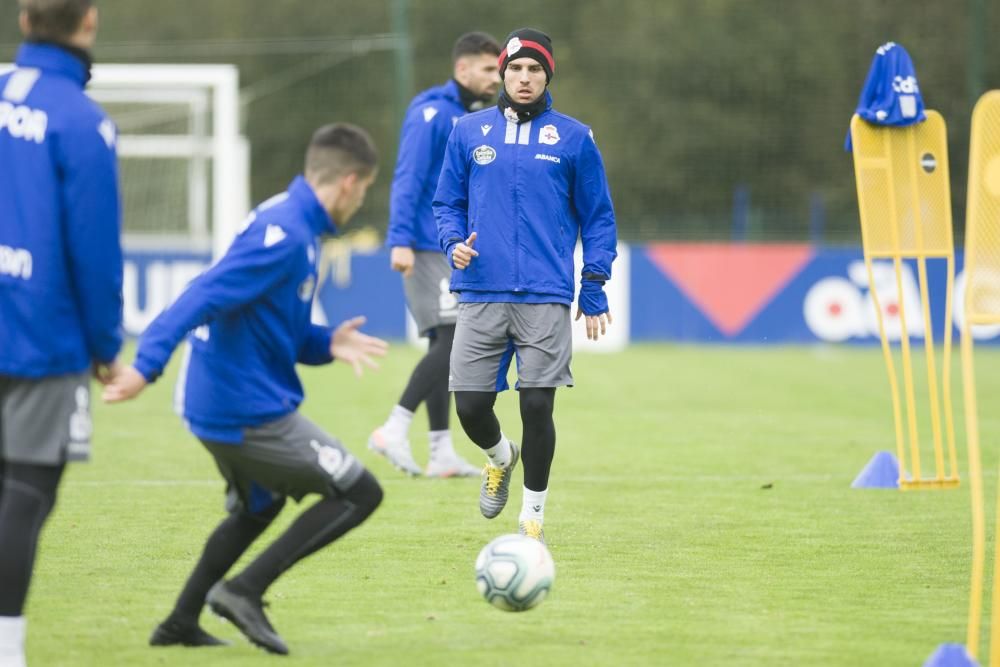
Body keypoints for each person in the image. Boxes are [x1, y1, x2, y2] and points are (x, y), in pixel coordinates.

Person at [103, 123, 388, 656]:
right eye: (366, 188)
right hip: (241, 408)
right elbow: (200, 294)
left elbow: (277, 327)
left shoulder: (293, 222)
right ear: (349, 182)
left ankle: (180, 623)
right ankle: (243, 590)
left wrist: (328, 343)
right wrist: (145, 366)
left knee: (259, 507)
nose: (362, 199)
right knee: (360, 492)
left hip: (226, 399)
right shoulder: (286, 234)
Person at [434, 28, 618, 543]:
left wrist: (594, 282)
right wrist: (453, 245)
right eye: (514, 68)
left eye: (534, 69)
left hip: (544, 294)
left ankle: (532, 518)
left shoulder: (575, 138)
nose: (523, 77)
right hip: (480, 290)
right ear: (502, 72)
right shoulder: (468, 132)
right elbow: (446, 203)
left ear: (547, 75)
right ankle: (500, 457)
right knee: (469, 406)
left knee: (537, 404)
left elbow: (599, 218)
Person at [0, 2, 123, 666]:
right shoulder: (81, 121)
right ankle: (6, 646)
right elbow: (94, 249)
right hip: (38, 330)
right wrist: (106, 344)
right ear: (89, 23)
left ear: (24, 20)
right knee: (26, 487)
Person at [369, 31, 501, 478]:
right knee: (453, 338)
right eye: (489, 69)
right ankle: (393, 427)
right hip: (425, 246)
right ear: (462, 69)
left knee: (442, 342)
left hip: (448, 246)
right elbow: (407, 177)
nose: (497, 77)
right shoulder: (431, 112)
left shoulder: (472, 116)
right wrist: (399, 239)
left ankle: (440, 450)